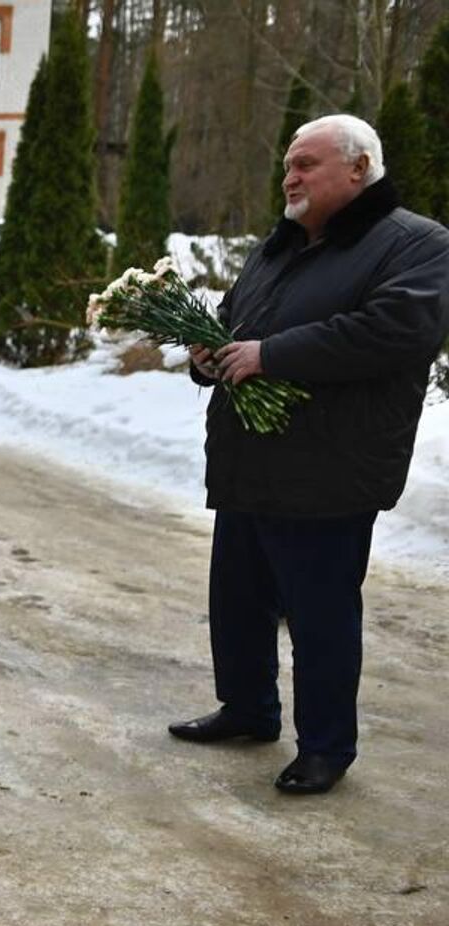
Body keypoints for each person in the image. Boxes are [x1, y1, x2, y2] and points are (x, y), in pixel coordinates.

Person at [169, 115, 449, 794]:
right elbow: (237, 322)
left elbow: (395, 330)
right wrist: (209, 355)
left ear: (359, 168)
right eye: (288, 165)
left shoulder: (416, 244)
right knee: (237, 599)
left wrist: (272, 355)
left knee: (320, 614)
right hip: (250, 459)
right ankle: (248, 708)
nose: (289, 177)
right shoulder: (280, 245)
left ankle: (326, 746)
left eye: (306, 164)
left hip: (330, 467)